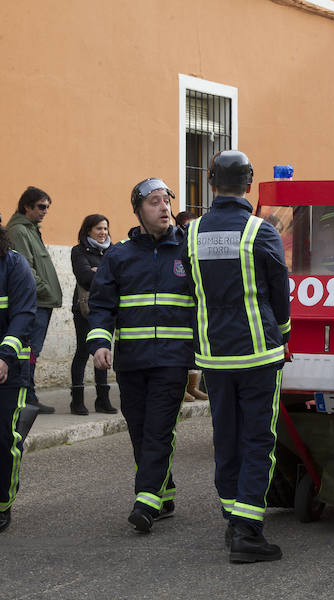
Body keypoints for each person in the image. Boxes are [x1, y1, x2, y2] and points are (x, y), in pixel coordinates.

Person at [183, 150, 291, 563]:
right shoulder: (259, 232)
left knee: (225, 437)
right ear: (249, 183)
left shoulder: (191, 234)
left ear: (211, 183)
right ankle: (247, 531)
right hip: (258, 352)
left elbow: (191, 291)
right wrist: (282, 335)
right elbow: (278, 292)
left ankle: (233, 518)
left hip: (213, 355)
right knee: (259, 439)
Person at [87, 178, 194, 532]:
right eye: (154, 202)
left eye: (166, 201)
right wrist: (100, 343)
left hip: (173, 359)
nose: (164, 208)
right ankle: (165, 492)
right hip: (132, 360)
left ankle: (146, 500)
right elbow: (101, 305)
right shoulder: (119, 255)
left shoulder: (187, 250)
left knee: (159, 428)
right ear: (138, 210)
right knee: (139, 428)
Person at [7, 187, 62, 414]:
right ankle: (26, 396)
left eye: (48, 207)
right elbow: (26, 270)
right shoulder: (19, 230)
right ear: (26, 206)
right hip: (35, 301)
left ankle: (29, 394)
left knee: (31, 351)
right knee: (28, 351)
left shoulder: (31, 229)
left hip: (42, 301)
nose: (45, 211)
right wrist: (46, 290)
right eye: (41, 206)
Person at [0, 214, 37, 534]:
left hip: (7, 371)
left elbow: (24, 315)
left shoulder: (14, 265)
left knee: (3, 439)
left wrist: (4, 356)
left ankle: (2, 503)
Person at [70, 214, 116, 415]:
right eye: (98, 228)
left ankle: (102, 399)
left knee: (102, 349)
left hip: (106, 309)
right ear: (88, 230)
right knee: (82, 352)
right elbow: (85, 277)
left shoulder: (112, 251)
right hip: (84, 309)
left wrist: (98, 271)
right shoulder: (78, 251)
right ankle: (77, 401)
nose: (103, 232)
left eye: (105, 228)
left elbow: (118, 276)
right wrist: (102, 273)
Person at [173, 211, 207, 403]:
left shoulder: (199, 245)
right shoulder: (175, 247)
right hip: (179, 308)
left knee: (195, 348)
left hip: (195, 305)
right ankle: (181, 389)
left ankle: (193, 387)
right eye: (187, 227)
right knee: (182, 351)